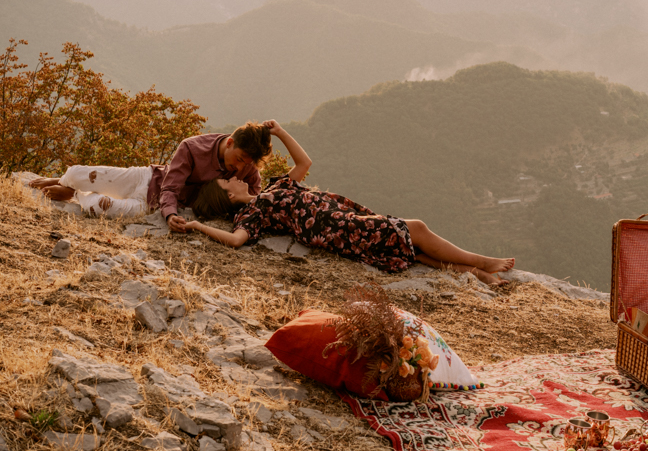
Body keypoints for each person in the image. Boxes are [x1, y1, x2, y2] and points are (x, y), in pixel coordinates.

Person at [184, 120, 515, 286]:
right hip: (339, 228)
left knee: (412, 249)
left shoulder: (270, 189)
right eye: (230, 178)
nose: (239, 174)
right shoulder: (251, 213)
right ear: (228, 195)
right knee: (415, 228)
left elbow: (304, 163)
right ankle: (483, 261)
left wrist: (282, 133)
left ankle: (472, 271)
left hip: (343, 216)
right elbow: (235, 240)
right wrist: (197, 226)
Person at [28, 122, 272, 225]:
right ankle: (66, 182)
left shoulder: (248, 166)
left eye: (246, 163)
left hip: (150, 205)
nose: (240, 168)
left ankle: (77, 194)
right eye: (239, 159)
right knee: (80, 172)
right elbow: (170, 187)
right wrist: (171, 214)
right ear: (229, 143)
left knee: (97, 207)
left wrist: (166, 214)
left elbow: (255, 198)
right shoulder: (193, 147)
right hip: (146, 179)